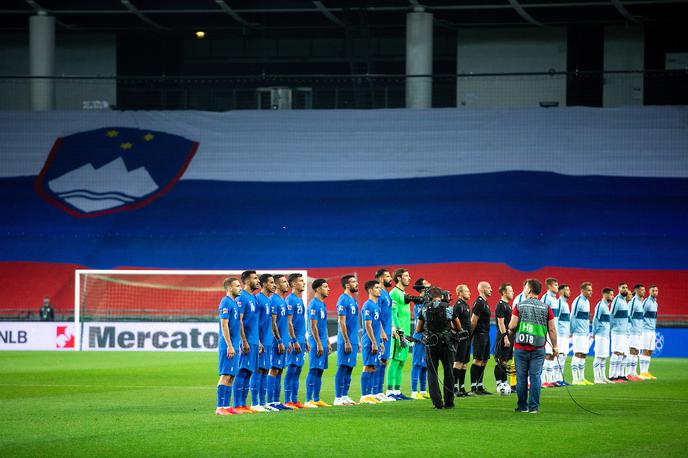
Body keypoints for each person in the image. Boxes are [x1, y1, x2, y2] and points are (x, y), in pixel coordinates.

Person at [507, 278, 557, 414]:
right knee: (535, 377)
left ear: (528, 290)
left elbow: (512, 326)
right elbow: (552, 329)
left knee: (521, 378)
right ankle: (533, 407)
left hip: (521, 348)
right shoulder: (547, 308)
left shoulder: (519, 306)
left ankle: (522, 406)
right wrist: (555, 347)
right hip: (539, 348)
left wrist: (510, 332)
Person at [416, 287, 462, 409]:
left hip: (431, 345)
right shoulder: (448, 308)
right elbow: (459, 327)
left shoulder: (424, 309)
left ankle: (437, 403)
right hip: (446, 344)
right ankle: (449, 402)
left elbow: (418, 329)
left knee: (432, 374)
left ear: (429, 297)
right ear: (441, 296)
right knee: (449, 373)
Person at [234, 270, 264, 413]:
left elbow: (255, 323)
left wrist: (257, 341)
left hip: (253, 341)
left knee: (249, 373)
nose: (258, 281)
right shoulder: (242, 298)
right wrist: (244, 341)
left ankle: (243, 404)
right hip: (244, 341)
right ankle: (237, 404)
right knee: (242, 371)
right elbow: (239, 321)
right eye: (255, 278)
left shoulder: (254, 299)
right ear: (246, 281)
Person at [216, 278, 243, 415]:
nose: (240, 288)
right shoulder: (225, 302)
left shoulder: (235, 303)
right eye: (237, 286)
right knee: (226, 375)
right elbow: (224, 324)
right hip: (228, 345)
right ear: (230, 288)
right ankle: (220, 407)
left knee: (232, 376)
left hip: (234, 344)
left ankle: (226, 406)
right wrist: (229, 345)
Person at [266, 274, 293, 410]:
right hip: (276, 342)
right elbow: (273, 323)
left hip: (283, 342)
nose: (287, 284)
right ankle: (270, 402)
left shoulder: (283, 301)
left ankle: (276, 402)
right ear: (276, 285)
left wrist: (287, 341)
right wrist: (279, 340)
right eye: (284, 282)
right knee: (273, 370)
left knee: (280, 370)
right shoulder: (273, 300)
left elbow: (285, 324)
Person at [284, 273, 310, 408]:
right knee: (292, 369)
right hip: (294, 341)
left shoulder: (299, 300)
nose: (303, 283)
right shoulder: (290, 300)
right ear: (293, 284)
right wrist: (293, 340)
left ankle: (295, 400)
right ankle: (288, 400)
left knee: (298, 369)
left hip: (300, 340)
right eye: (300, 281)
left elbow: (299, 322)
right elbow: (288, 322)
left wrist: (304, 339)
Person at [252, 274, 277, 412]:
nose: (274, 285)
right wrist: (258, 341)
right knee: (258, 370)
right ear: (264, 284)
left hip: (268, 342)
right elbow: (254, 323)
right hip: (260, 342)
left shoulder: (268, 301)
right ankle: (255, 403)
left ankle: (263, 402)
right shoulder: (258, 300)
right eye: (271, 282)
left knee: (265, 370)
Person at [306, 279, 332, 408]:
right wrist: (319, 343)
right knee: (314, 369)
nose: (329, 289)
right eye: (325, 287)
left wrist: (326, 340)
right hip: (316, 343)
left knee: (320, 370)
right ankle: (308, 400)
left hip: (322, 342)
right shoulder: (314, 305)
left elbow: (323, 325)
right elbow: (313, 326)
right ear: (318, 289)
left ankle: (316, 399)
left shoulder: (322, 304)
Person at [334, 275, 360, 406]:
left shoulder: (353, 300)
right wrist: (346, 340)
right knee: (343, 367)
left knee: (350, 368)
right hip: (346, 341)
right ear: (347, 285)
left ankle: (345, 396)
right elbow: (341, 322)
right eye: (354, 282)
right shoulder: (343, 300)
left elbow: (353, 323)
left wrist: (356, 341)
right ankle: (338, 398)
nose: (357, 283)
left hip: (353, 340)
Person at [387, 268, 413, 400]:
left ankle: (397, 392)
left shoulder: (404, 293)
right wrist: (397, 330)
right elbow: (392, 313)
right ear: (399, 278)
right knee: (394, 361)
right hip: (398, 333)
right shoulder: (394, 293)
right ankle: (389, 392)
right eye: (406, 276)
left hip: (406, 332)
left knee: (402, 362)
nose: (409, 278)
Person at [360, 280, 384, 404]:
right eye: (376, 288)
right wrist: (374, 342)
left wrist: (379, 341)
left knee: (374, 367)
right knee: (368, 366)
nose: (379, 289)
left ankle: (370, 394)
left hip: (375, 341)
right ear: (370, 290)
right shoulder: (367, 305)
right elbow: (368, 325)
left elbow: (376, 325)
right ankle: (364, 395)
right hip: (369, 341)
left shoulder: (376, 306)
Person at [374, 269, 394, 402]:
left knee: (384, 362)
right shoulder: (379, 294)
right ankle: (375, 392)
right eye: (387, 276)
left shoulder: (387, 294)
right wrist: (381, 331)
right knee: (379, 362)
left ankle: (380, 392)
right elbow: (377, 314)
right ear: (381, 279)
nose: (390, 279)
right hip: (381, 333)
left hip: (387, 332)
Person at [469, 281, 493, 395]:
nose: (491, 290)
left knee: (484, 360)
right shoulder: (479, 303)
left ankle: (480, 386)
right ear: (482, 289)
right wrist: (470, 334)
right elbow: (473, 320)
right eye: (489, 288)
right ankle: (474, 387)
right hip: (479, 335)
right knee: (478, 360)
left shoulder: (485, 303)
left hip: (486, 335)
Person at [411, 278, 431, 400]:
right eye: (426, 283)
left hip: (427, 336)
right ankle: (414, 392)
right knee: (417, 364)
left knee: (425, 365)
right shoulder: (419, 302)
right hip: (419, 336)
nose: (430, 284)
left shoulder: (427, 300)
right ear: (422, 288)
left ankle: (423, 391)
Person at [570, 282, 593, 385]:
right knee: (577, 353)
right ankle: (575, 379)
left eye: (591, 290)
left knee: (583, 355)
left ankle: (582, 378)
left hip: (585, 333)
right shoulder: (578, 301)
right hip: (578, 333)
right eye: (588, 290)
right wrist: (571, 330)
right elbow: (572, 316)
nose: (591, 292)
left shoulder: (587, 302)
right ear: (582, 290)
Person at [452, 284, 472, 397]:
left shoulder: (466, 305)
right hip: (461, 338)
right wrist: (457, 333)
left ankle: (462, 387)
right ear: (460, 293)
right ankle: (454, 387)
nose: (469, 293)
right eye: (467, 291)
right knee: (458, 361)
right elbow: (452, 320)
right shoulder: (458, 305)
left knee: (464, 362)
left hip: (467, 337)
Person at [494, 283, 514, 390]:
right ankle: (499, 384)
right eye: (510, 291)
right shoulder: (501, 305)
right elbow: (501, 323)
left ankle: (504, 383)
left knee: (505, 361)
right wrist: (505, 337)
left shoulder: (508, 305)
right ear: (504, 293)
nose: (513, 292)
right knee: (500, 360)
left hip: (509, 336)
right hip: (503, 336)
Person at [540, 278, 560, 387]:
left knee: (552, 355)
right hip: (547, 330)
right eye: (555, 285)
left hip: (554, 330)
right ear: (549, 287)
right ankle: (543, 380)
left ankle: (550, 379)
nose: (557, 287)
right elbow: (542, 314)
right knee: (546, 355)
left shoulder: (555, 299)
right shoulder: (546, 298)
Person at [609, 282, 631, 382]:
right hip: (617, 331)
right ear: (619, 289)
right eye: (623, 288)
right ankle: (612, 375)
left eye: (626, 288)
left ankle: (619, 375)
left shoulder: (624, 302)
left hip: (624, 332)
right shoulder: (617, 300)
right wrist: (612, 329)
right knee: (616, 352)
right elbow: (611, 315)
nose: (625, 289)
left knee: (622, 354)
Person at [592, 287, 614, 384]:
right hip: (600, 335)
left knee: (604, 356)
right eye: (611, 294)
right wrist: (594, 333)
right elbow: (595, 319)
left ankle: (603, 377)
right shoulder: (600, 305)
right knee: (598, 356)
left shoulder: (606, 306)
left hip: (605, 335)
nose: (612, 296)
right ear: (605, 295)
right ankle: (597, 378)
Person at [627, 284, 646, 380]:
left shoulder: (640, 302)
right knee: (631, 351)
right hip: (633, 331)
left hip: (638, 331)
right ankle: (628, 373)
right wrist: (630, 329)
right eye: (642, 290)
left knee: (636, 352)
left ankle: (634, 373)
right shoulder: (633, 301)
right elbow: (628, 315)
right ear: (637, 291)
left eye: (644, 290)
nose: (644, 291)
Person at [640, 285, 659, 379]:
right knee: (645, 350)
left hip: (652, 330)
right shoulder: (646, 302)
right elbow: (640, 315)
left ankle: (646, 372)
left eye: (656, 290)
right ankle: (642, 372)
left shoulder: (655, 303)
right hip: (645, 330)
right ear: (649, 292)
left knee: (650, 350)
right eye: (653, 291)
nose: (655, 292)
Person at [556, 284, 572, 386]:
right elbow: (556, 319)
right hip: (560, 334)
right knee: (560, 356)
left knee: (564, 356)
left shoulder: (566, 304)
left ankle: (561, 379)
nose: (569, 291)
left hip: (565, 334)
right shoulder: (560, 303)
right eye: (567, 289)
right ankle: (556, 379)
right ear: (561, 292)